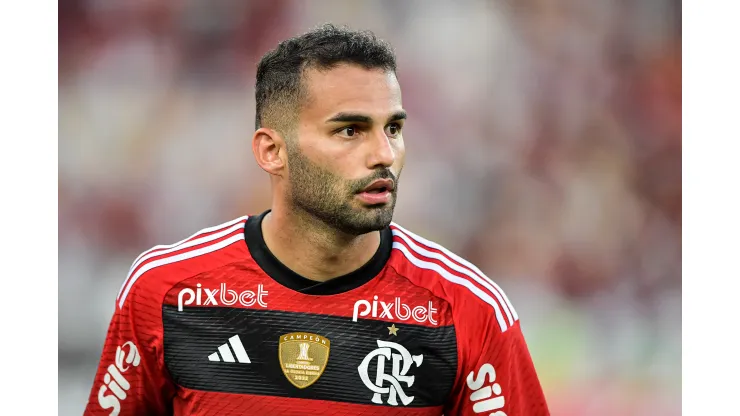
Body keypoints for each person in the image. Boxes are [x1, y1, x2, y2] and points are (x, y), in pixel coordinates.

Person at [84, 24, 549, 416]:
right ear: (272, 151)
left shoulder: (468, 311)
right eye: (350, 130)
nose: (384, 155)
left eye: (393, 128)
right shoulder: (166, 292)